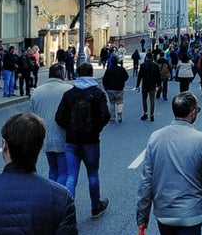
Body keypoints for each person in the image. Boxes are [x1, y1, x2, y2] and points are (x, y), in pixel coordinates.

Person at [136, 92, 202, 235]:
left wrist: (142, 216)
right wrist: (198, 194)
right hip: (191, 213)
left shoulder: (156, 138)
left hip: (164, 212)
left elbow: (146, 181)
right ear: (193, 112)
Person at [55, 62, 110, 218]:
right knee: (92, 174)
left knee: (71, 175)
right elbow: (105, 115)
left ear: (78, 74)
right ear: (92, 73)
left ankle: (67, 212)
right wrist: (95, 128)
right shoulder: (97, 93)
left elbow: (59, 117)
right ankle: (96, 207)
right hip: (91, 141)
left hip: (71, 141)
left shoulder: (69, 94)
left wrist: (70, 128)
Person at [30, 63, 72, 185]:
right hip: (63, 136)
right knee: (64, 172)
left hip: (45, 137)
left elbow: (33, 114)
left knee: (53, 170)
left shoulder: (37, 92)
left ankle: (52, 192)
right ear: (63, 75)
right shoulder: (69, 90)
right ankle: (58, 194)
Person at [102, 55, 129, 123]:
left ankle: (112, 117)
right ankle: (119, 113)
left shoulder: (108, 70)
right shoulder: (121, 69)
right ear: (117, 61)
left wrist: (106, 88)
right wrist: (122, 81)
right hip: (119, 88)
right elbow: (126, 76)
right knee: (120, 101)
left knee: (112, 103)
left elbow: (104, 79)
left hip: (110, 89)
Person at [136, 52, 161, 121]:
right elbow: (158, 76)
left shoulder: (143, 65)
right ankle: (152, 115)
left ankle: (145, 113)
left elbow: (139, 76)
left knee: (144, 98)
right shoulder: (155, 65)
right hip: (153, 85)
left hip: (145, 84)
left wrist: (137, 85)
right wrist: (159, 85)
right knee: (152, 99)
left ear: (146, 57)